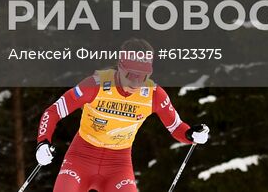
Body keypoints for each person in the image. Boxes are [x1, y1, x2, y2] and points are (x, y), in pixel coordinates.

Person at [34, 40, 208, 191]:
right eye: (131, 74)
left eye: (143, 75)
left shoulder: (154, 94)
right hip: (81, 157)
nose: (136, 81)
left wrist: (191, 135)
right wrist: (43, 142)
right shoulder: (95, 85)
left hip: (118, 165)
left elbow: (176, 126)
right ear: (120, 67)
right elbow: (54, 111)